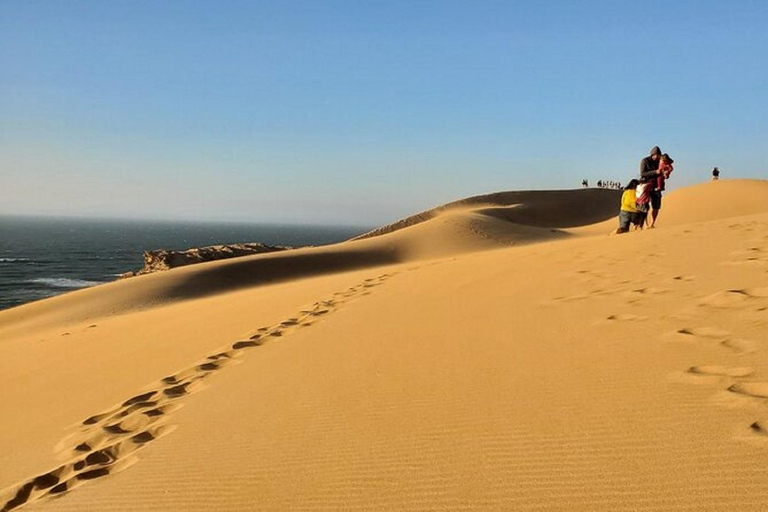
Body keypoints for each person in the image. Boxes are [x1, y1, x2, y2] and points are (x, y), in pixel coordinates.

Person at [639, 146, 663, 228]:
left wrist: (665, 174)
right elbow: (643, 173)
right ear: (652, 154)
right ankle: (646, 224)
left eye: (658, 155)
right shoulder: (645, 161)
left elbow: (664, 172)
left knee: (656, 206)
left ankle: (652, 224)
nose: (657, 157)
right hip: (646, 186)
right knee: (645, 206)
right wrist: (655, 172)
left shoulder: (661, 161)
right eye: (656, 155)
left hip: (657, 186)